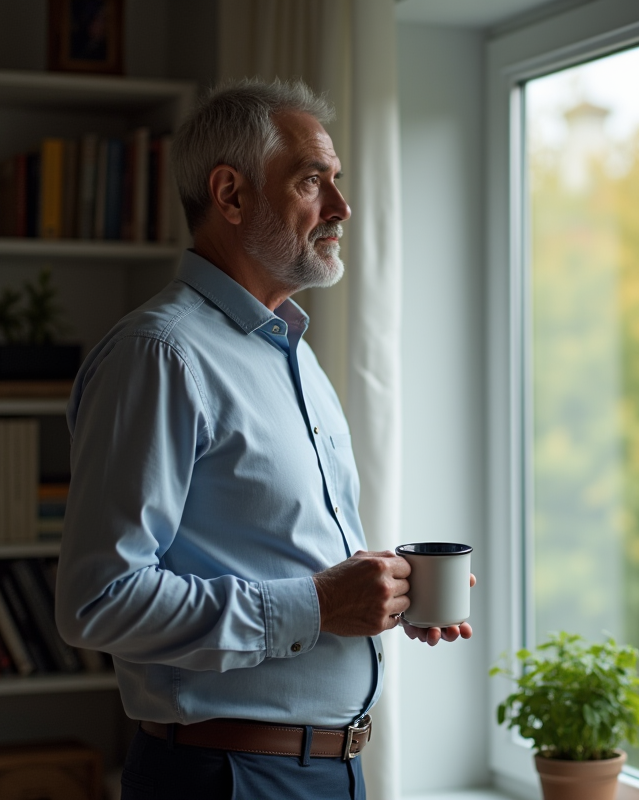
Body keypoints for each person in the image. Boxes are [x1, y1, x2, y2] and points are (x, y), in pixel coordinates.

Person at [54, 78, 474, 800]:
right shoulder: (162, 355)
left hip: (330, 769)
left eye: (336, 182)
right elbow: (99, 599)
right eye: (314, 181)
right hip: (227, 776)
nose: (342, 208)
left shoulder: (292, 352)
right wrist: (316, 604)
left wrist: (376, 596)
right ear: (232, 195)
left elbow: (280, 558)